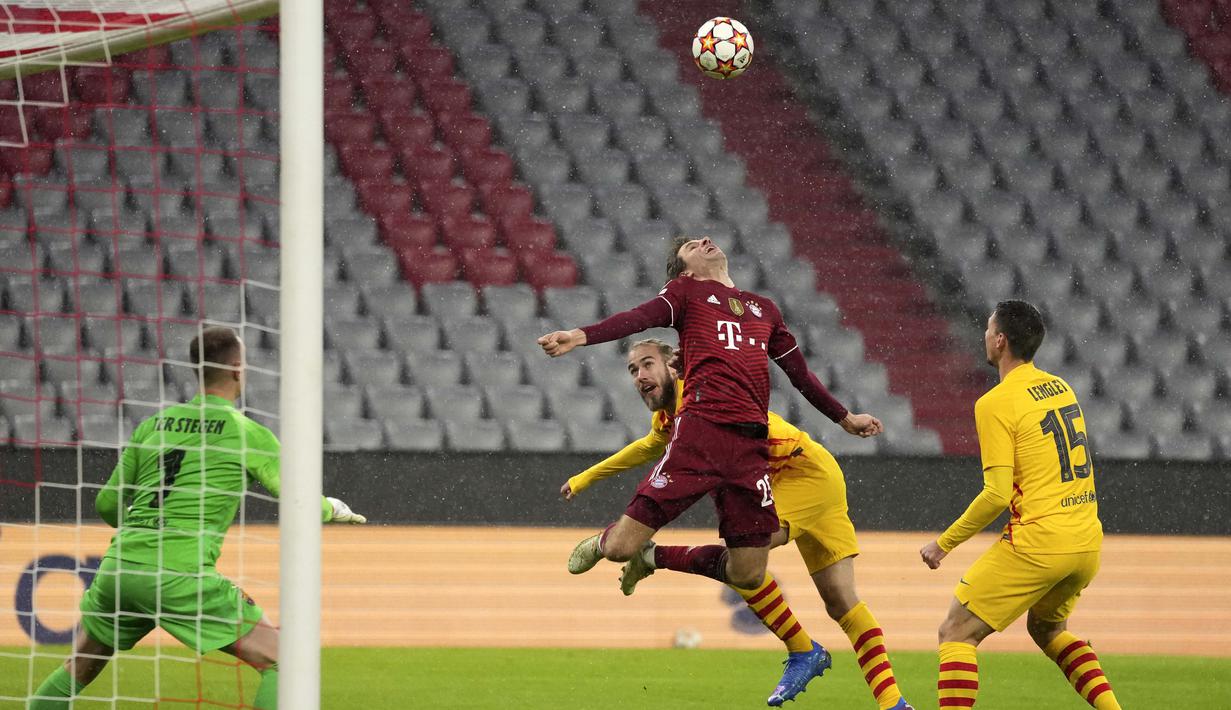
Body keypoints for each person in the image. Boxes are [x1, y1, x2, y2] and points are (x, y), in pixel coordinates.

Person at [539, 237, 884, 706]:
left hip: (750, 451)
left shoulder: (764, 309)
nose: (702, 240)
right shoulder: (686, 296)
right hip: (700, 433)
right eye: (688, 245)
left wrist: (845, 419)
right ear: (684, 272)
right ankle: (609, 543)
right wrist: (578, 336)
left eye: (703, 238)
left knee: (747, 572)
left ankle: (658, 560)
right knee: (621, 546)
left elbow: (800, 375)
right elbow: (636, 320)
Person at [562, 338, 914, 710]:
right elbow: (650, 445)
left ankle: (655, 558)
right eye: (633, 370)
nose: (639, 375)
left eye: (647, 364)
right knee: (841, 602)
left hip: (802, 473)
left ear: (673, 367)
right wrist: (584, 478)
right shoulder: (668, 417)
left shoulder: (701, 399)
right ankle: (893, 702)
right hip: (804, 475)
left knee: (745, 559)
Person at [29, 326, 367, 710]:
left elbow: (107, 505)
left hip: (119, 570)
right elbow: (297, 501)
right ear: (238, 369)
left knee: (79, 668)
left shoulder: (152, 427)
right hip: (180, 574)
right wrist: (333, 509)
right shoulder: (246, 433)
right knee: (287, 663)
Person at [919, 301, 1120, 709]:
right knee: (1048, 630)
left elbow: (995, 494)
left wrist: (944, 544)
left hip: (1040, 542)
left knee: (956, 632)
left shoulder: (995, 402)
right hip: (1085, 541)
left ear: (1000, 340)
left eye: (987, 329)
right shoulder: (1061, 387)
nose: (984, 336)